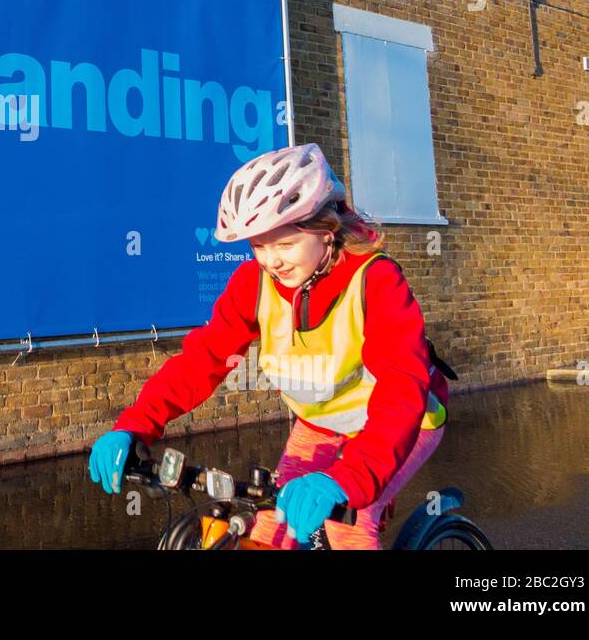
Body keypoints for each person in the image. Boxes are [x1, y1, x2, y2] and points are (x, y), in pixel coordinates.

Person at [88, 142, 453, 549]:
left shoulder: (376, 281)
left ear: (326, 230)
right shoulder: (253, 283)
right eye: (259, 246)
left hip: (402, 421)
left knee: (346, 527)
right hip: (319, 424)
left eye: (284, 244)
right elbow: (203, 359)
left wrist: (352, 476)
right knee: (268, 528)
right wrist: (136, 423)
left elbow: (402, 389)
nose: (271, 261)